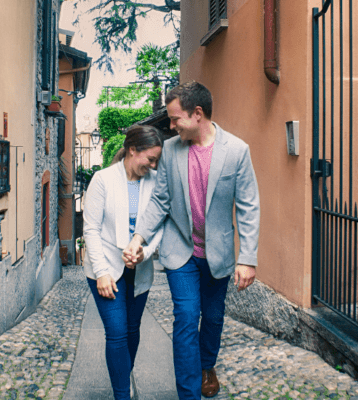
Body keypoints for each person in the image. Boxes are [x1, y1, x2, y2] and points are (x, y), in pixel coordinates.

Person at [123, 81, 260, 399]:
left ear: (197, 114)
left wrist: (248, 258)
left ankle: (206, 365)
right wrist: (138, 239)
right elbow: (160, 201)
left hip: (218, 252)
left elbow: (248, 207)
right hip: (180, 250)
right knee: (186, 317)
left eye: (175, 119)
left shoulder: (237, 151)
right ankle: (189, 393)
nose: (169, 125)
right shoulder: (170, 151)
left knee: (213, 317)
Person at [82, 125, 165, 400]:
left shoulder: (155, 182)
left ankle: (123, 372)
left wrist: (146, 252)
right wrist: (102, 273)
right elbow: (91, 229)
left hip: (139, 269)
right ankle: (122, 394)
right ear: (132, 150)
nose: (153, 165)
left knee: (132, 329)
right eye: (149, 159)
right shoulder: (103, 179)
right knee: (117, 332)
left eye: (156, 160)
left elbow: (159, 225)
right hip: (104, 269)